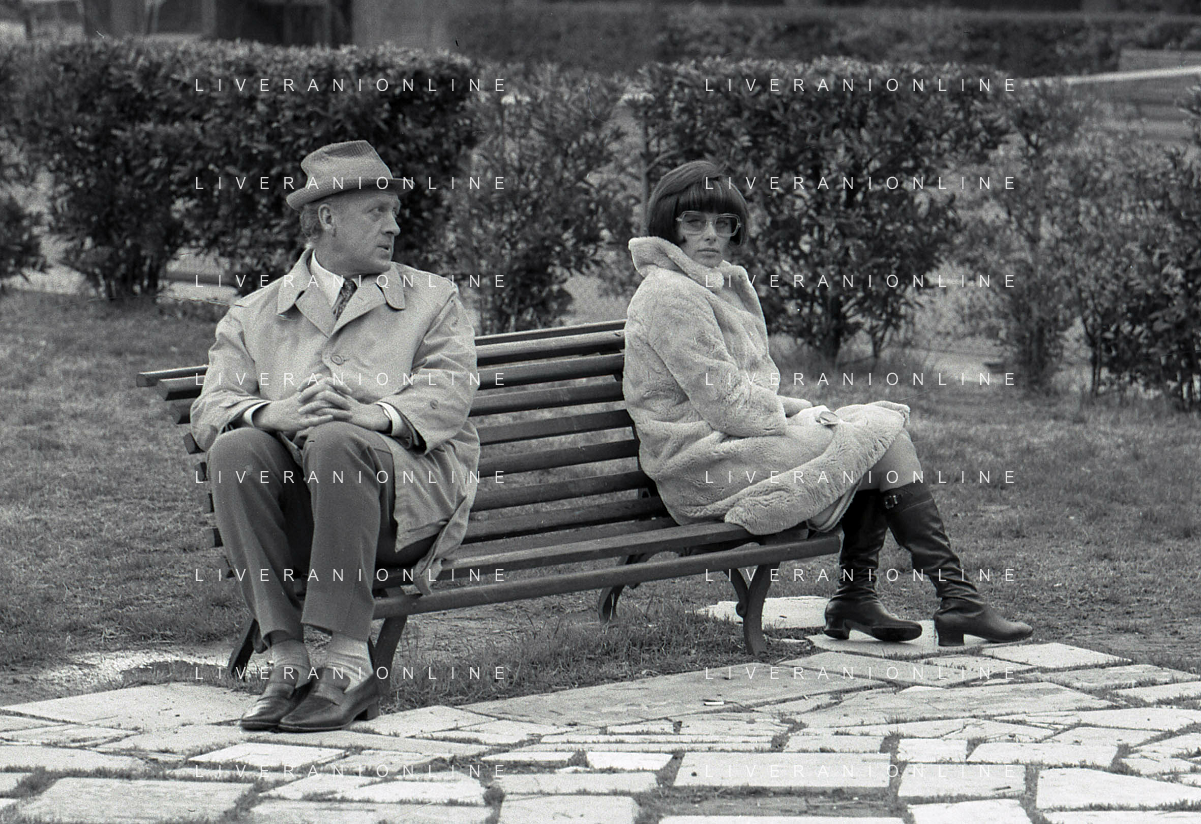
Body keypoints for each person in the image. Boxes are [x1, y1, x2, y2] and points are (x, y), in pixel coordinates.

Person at [622, 160, 1031, 647]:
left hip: (735, 444)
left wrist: (797, 410)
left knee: (874, 434)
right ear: (670, 224)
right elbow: (728, 404)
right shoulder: (670, 295)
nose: (711, 234)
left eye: (723, 223)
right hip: (700, 465)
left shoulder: (709, 284)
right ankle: (932, 598)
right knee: (881, 436)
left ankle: (878, 597)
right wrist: (798, 414)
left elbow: (743, 394)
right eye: (694, 222)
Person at [190, 141, 480, 732]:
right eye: (378, 212)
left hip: (403, 512)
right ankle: (288, 661)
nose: (394, 226)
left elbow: (451, 389)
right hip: (306, 519)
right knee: (235, 446)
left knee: (338, 440)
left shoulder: (432, 299)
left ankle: (348, 664)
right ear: (328, 218)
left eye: (394, 213)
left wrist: (375, 417)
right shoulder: (254, 314)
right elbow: (211, 407)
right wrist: (272, 413)